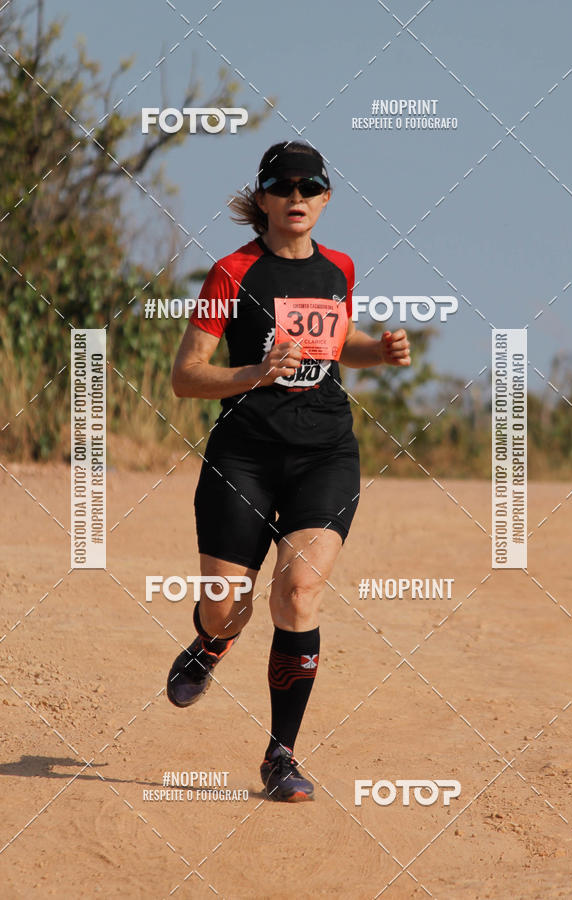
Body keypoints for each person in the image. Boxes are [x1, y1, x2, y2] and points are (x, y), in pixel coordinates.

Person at [166, 141, 411, 802]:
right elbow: (186, 377)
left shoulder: (340, 268)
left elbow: (339, 345)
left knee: (298, 593)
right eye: (282, 186)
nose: (296, 196)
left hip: (325, 453)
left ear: (326, 198)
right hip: (244, 455)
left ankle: (281, 756)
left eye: (310, 186)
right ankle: (211, 644)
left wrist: (379, 352)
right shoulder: (231, 272)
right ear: (264, 198)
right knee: (224, 609)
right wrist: (256, 371)